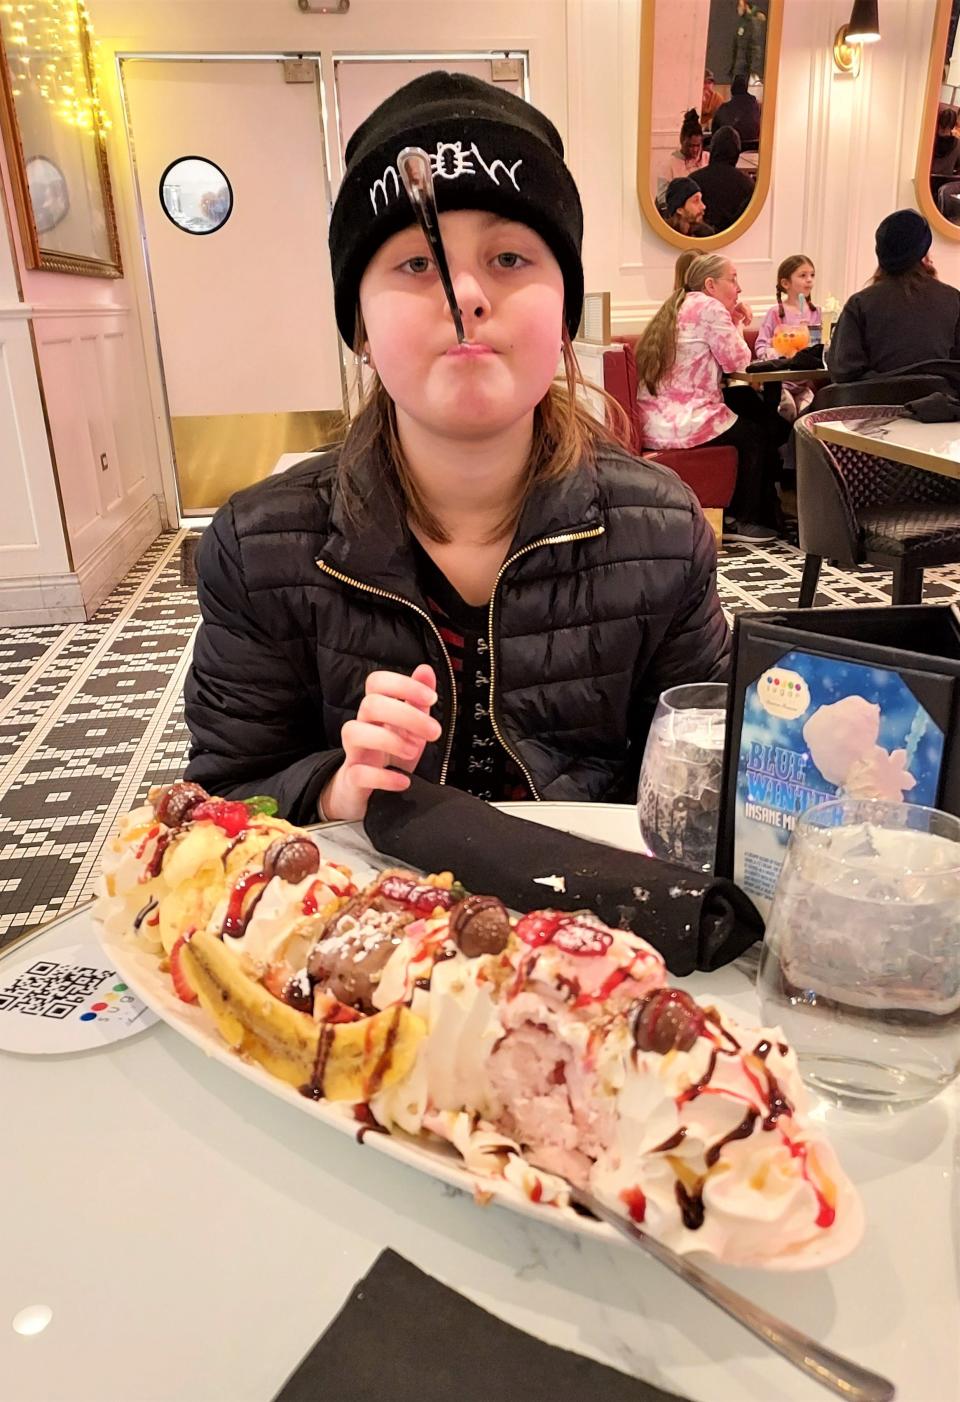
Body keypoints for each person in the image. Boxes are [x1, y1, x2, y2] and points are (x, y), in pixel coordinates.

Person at [183, 72, 730, 825]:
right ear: (362, 329)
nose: (463, 294)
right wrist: (335, 790)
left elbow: (708, 777)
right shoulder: (258, 549)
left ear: (564, 313)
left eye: (509, 259)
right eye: (416, 263)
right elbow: (224, 798)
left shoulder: (663, 531)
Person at [634, 253, 779, 544]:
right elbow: (738, 360)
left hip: (655, 417)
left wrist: (734, 318)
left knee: (751, 419)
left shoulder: (680, 304)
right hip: (685, 419)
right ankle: (743, 520)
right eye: (733, 278)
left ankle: (754, 513)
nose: (739, 288)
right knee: (756, 435)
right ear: (711, 284)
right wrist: (737, 320)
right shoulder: (709, 307)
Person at [828, 209, 960, 382]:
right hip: (939, 406)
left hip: (870, 405)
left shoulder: (860, 304)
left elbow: (843, 370)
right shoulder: (953, 300)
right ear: (924, 253)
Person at [755, 254, 822, 420]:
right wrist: (778, 353)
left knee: (810, 416)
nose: (809, 280)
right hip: (780, 383)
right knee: (788, 410)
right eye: (802, 275)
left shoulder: (816, 313)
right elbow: (761, 346)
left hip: (804, 383)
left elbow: (818, 346)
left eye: (812, 275)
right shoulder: (775, 313)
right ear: (786, 283)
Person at [689, 125, 754, 234]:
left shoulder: (693, 179)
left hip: (699, 239)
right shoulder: (748, 184)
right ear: (737, 152)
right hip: (736, 241)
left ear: (713, 149)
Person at [656, 108, 708, 194]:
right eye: (690, 146)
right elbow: (662, 198)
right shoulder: (669, 165)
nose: (695, 150)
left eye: (698, 145)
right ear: (682, 140)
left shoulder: (708, 159)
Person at [712, 76, 761, 147]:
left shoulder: (725, 108)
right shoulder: (755, 106)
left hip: (731, 148)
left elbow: (715, 133)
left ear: (732, 90)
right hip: (753, 147)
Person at [931, 108, 960, 177]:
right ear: (953, 125)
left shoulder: (930, 139)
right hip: (945, 184)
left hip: (926, 179)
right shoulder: (958, 144)